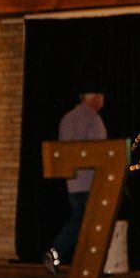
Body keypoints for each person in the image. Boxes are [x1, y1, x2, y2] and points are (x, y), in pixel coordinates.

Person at [52, 91, 106, 263]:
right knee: (89, 224)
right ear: (95, 98)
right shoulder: (92, 119)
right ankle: (87, 264)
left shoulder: (67, 119)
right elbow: (99, 151)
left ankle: (62, 256)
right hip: (91, 182)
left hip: (74, 183)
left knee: (80, 221)